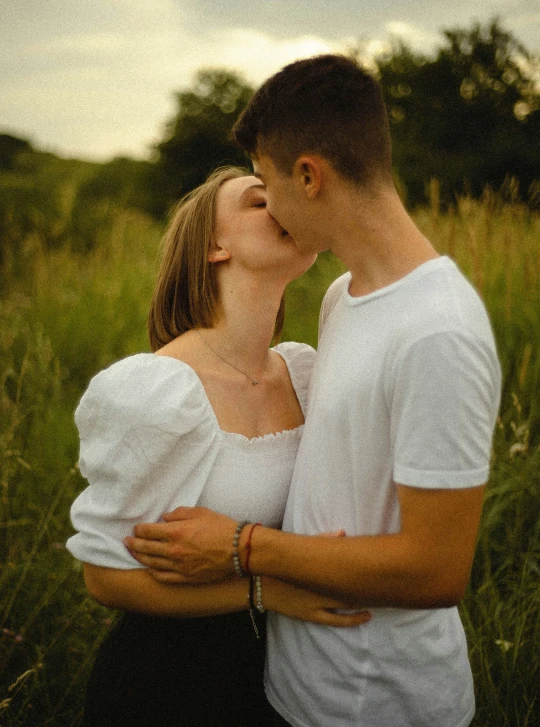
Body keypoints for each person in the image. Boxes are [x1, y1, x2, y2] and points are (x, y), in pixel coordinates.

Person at [125, 55, 502, 727]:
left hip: (378, 701)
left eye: (268, 184)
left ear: (309, 175)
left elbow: (438, 570)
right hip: (291, 685)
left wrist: (242, 547)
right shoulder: (343, 296)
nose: (271, 205)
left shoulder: (438, 329)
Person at [66, 165, 371, 727]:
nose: (282, 205)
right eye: (259, 202)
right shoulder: (156, 391)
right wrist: (266, 590)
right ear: (214, 247)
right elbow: (105, 577)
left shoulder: (304, 372)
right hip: (168, 686)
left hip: (287, 678)